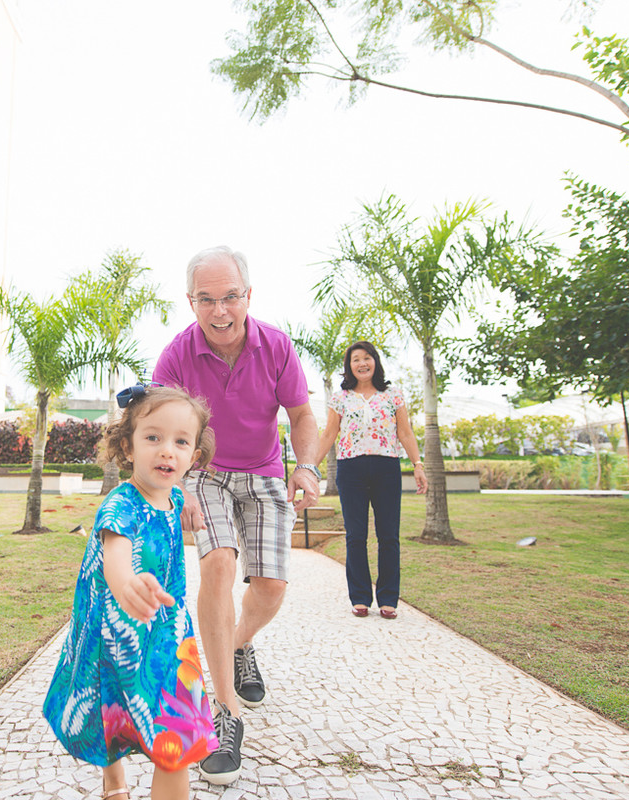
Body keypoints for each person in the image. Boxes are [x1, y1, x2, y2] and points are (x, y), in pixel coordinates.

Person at [152, 245, 320, 786]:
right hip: (206, 472)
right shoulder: (176, 355)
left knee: (270, 586)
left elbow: (300, 413)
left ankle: (239, 642)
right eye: (207, 299)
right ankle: (226, 712)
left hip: (266, 472)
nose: (220, 311)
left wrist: (308, 467)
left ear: (249, 295)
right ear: (190, 301)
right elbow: (158, 426)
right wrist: (180, 489)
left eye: (230, 297)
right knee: (219, 565)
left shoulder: (276, 346)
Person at [43, 383, 220, 800]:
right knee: (112, 716)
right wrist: (126, 586)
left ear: (194, 456)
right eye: (153, 438)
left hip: (167, 635)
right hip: (114, 634)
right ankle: (114, 781)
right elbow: (115, 556)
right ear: (128, 446)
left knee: (177, 742)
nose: (166, 451)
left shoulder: (174, 497)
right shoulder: (120, 505)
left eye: (180, 442)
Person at [316, 341, 427, 620]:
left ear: (375, 362)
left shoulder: (393, 395)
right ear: (349, 366)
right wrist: (309, 467)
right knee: (356, 536)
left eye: (367, 358)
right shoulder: (341, 397)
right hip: (350, 469)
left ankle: (388, 598)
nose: (362, 363)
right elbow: (329, 435)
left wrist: (418, 464)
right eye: (356, 359)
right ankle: (360, 597)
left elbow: (406, 433)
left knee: (388, 536)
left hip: (386, 467)